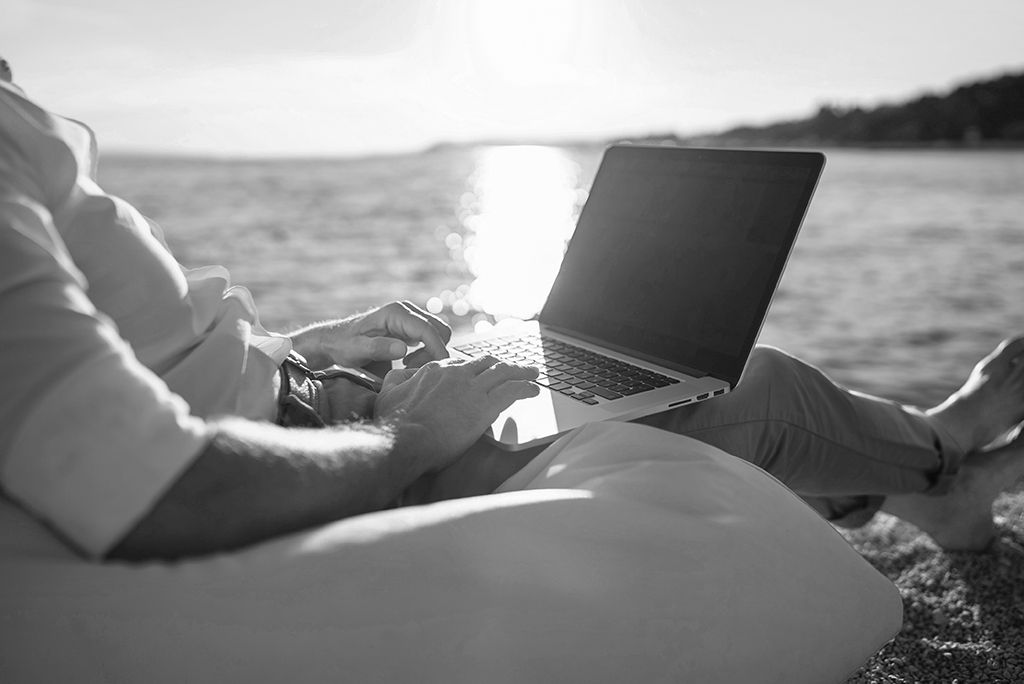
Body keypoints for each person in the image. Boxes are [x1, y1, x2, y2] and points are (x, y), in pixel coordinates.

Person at [2, 67, 1023, 564]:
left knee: (613, 366)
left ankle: (915, 483)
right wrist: (406, 439)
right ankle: (938, 460)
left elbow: (116, 355)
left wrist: (288, 350)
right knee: (747, 388)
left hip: (304, 399)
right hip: (310, 442)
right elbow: (150, 491)